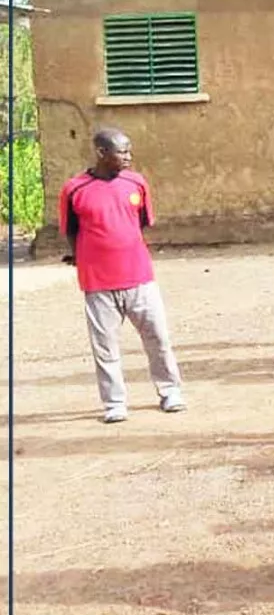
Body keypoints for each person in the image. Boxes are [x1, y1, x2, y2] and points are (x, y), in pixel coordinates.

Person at [60, 129, 187, 424]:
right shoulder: (75, 189)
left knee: (157, 338)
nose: (129, 157)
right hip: (97, 283)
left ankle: (170, 391)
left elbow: (141, 222)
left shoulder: (136, 183)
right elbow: (70, 230)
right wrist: (84, 258)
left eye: (130, 151)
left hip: (139, 277)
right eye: (122, 152)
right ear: (101, 152)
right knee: (105, 347)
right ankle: (114, 403)